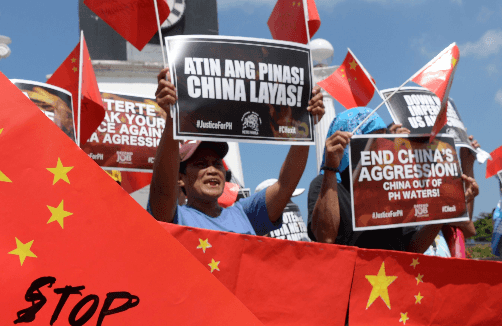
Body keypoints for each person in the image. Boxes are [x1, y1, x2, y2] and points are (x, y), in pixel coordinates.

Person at [148, 68, 325, 235]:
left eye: (217, 164)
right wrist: (172, 118)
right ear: (180, 178)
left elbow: (285, 185)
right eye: (201, 164)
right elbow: (162, 188)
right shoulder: (174, 218)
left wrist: (305, 125)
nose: (212, 170)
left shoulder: (246, 214)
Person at [307, 107, 479, 253]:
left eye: (385, 137)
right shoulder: (325, 184)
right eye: (372, 138)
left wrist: (442, 210)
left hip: (394, 285)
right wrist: (330, 169)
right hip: (349, 284)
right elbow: (326, 238)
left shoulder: (392, 187)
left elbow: (413, 248)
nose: (382, 145)